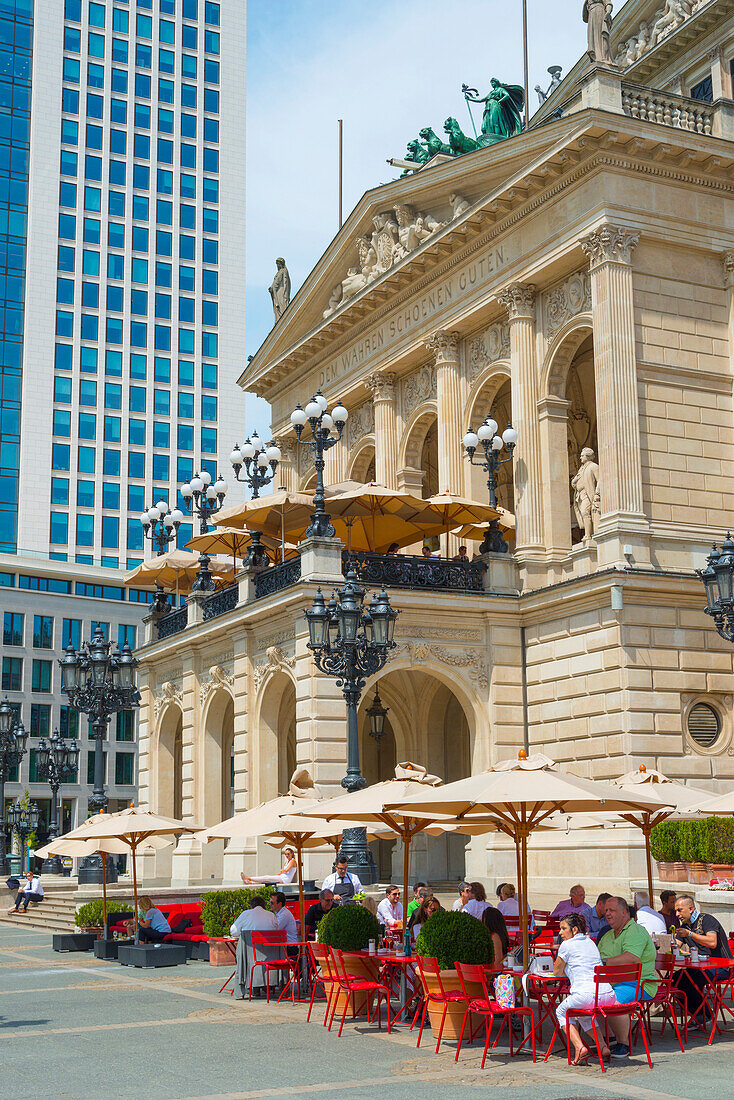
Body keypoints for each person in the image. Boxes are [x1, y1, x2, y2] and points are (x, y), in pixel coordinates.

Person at [598, 896, 658, 1058]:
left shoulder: (635, 931)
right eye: (606, 911)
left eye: (612, 910)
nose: (607, 914)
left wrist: (604, 963)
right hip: (611, 982)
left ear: (624, 913)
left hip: (639, 983)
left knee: (613, 1001)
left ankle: (623, 1043)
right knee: (590, 996)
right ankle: (608, 1037)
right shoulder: (608, 935)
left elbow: (632, 957)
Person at [553, 913, 617, 1065]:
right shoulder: (590, 942)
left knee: (561, 1011)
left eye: (563, 928)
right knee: (582, 1013)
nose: (560, 932)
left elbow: (557, 972)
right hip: (607, 994)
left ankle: (579, 1047)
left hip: (587, 994)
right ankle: (603, 1047)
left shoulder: (567, 945)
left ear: (574, 929)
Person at [672, 893, 733, 1027]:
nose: (677, 914)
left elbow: (712, 942)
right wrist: (673, 946)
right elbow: (676, 945)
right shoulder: (685, 926)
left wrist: (690, 934)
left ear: (691, 909)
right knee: (673, 980)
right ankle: (699, 1013)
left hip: (721, 967)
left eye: (679, 910)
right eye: (675, 911)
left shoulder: (706, 919)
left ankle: (702, 1016)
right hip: (699, 967)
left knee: (690, 982)